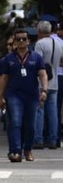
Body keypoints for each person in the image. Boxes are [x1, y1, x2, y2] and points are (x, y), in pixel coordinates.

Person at [0, 26, 48, 162]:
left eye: (24, 39)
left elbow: (43, 74)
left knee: (30, 124)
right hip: (14, 94)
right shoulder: (8, 59)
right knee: (16, 121)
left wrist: (45, 90)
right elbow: (3, 78)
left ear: (29, 41)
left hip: (31, 95)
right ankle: (16, 151)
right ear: (15, 42)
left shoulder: (36, 57)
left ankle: (28, 150)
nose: (21, 41)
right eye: (18, 39)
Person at [33, 21, 61, 150]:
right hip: (54, 81)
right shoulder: (59, 43)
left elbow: (37, 63)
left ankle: (38, 138)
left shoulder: (40, 44)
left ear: (39, 30)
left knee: (39, 110)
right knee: (53, 111)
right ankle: (53, 139)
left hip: (42, 83)